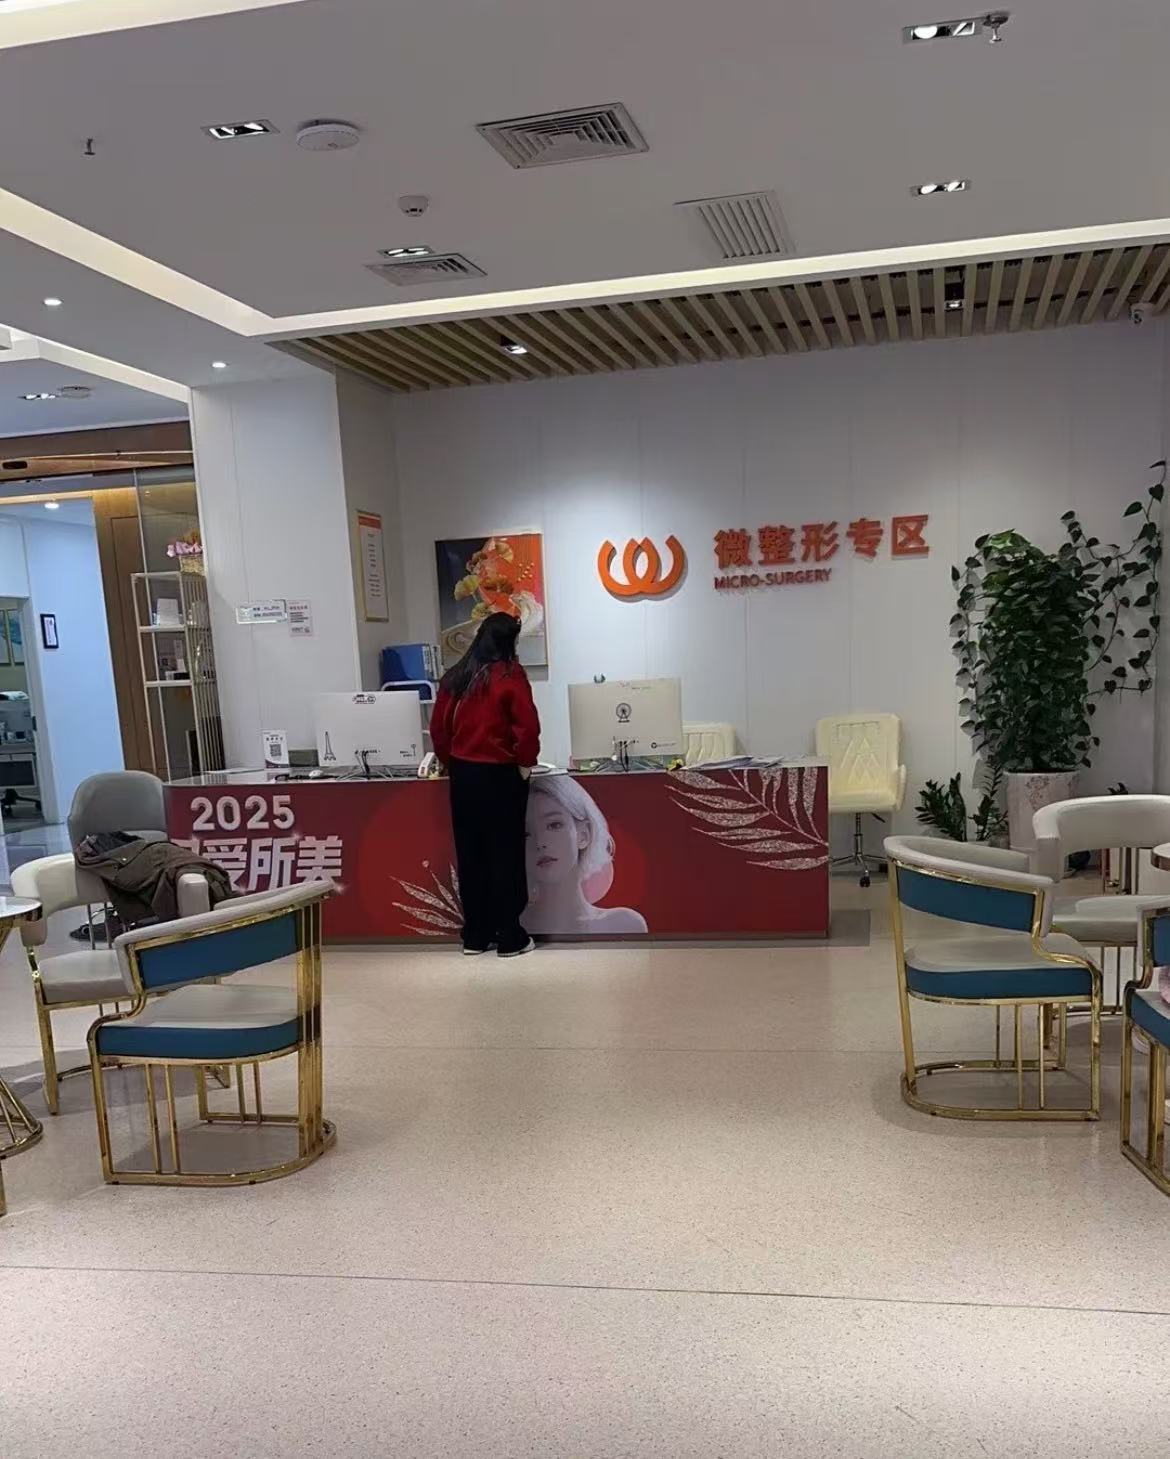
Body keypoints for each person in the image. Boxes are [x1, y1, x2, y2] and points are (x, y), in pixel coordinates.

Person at [429, 612, 540, 956]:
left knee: (471, 854)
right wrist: (525, 763)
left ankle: (475, 936)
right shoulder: (510, 675)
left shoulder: (455, 677)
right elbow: (527, 728)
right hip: (500, 775)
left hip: (463, 776)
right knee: (505, 853)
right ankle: (509, 936)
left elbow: (439, 729)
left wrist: (452, 762)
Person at [523, 774, 648, 936]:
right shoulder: (510, 927)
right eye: (525, 833)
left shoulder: (624, 924)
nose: (540, 842)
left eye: (554, 825)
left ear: (584, 834)